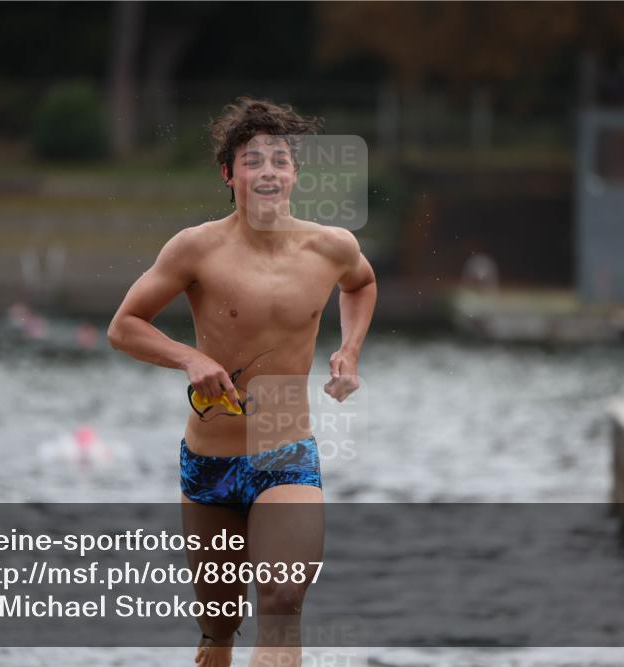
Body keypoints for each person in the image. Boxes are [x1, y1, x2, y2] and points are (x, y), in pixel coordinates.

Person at [107, 97, 377, 667]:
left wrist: (348, 351)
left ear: (295, 174)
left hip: (285, 444)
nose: (269, 171)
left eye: (280, 159)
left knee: (280, 602)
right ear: (229, 175)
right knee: (219, 630)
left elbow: (361, 284)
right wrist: (190, 360)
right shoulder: (195, 248)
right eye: (253, 161)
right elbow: (124, 327)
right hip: (211, 454)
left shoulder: (331, 247)